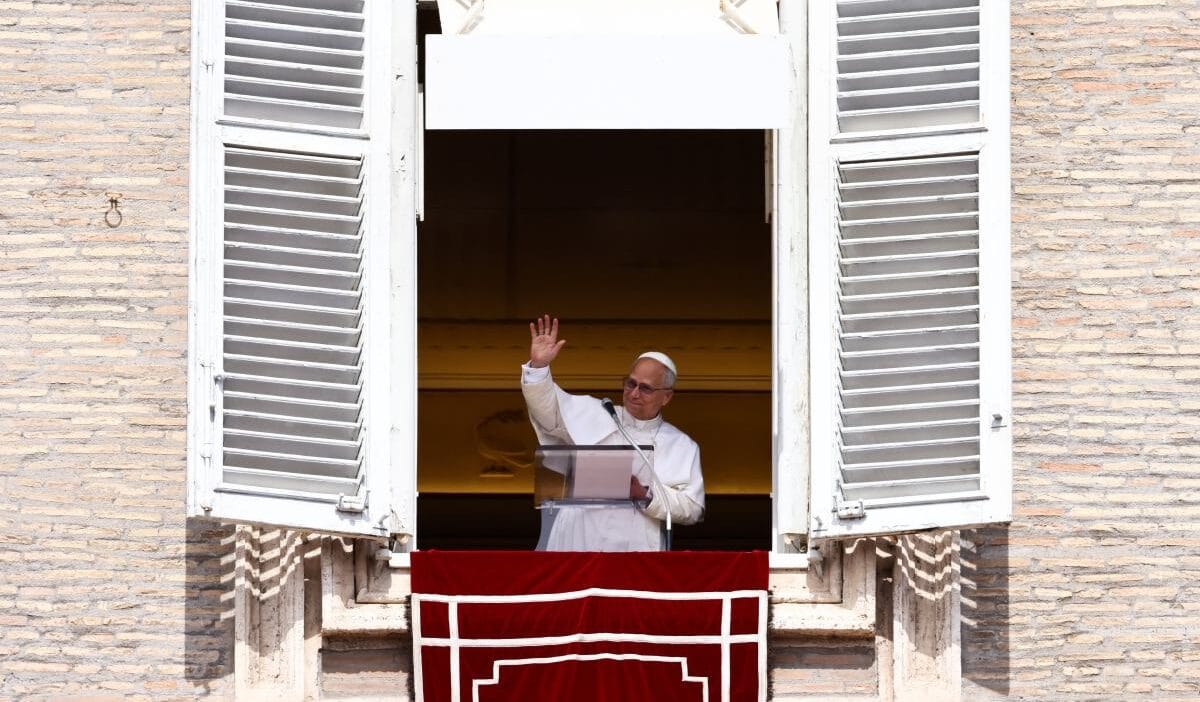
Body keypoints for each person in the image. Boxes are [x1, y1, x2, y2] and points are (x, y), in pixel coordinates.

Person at [521, 315, 705, 551]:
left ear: (666, 396)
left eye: (646, 388)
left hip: (636, 546)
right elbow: (548, 413)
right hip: (577, 539)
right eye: (630, 383)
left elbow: (692, 508)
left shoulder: (681, 445)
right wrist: (539, 367)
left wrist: (646, 494)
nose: (634, 393)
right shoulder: (595, 412)